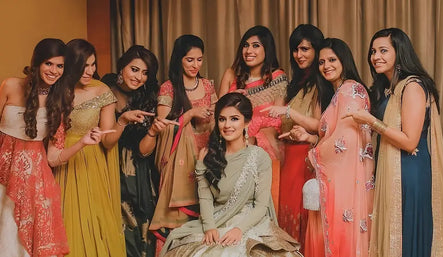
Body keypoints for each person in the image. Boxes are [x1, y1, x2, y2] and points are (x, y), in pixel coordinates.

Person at [345, 28, 443, 257]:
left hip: (411, 173)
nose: (376, 57)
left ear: (400, 53)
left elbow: (409, 141)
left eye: (384, 50)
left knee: (409, 239)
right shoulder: (388, 90)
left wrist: (371, 121)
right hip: (394, 169)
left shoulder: (412, 86)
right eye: (373, 51)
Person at [160, 92, 302, 257]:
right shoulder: (209, 156)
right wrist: (209, 227)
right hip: (217, 221)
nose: (227, 125)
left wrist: (239, 230)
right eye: (222, 119)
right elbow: (205, 198)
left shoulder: (259, 157)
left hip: (250, 223)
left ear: (247, 122)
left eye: (234, 119)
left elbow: (262, 206)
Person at [53, 39, 152, 257]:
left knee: (92, 220)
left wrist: (123, 121)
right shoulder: (56, 89)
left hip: (92, 164)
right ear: (70, 64)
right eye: (84, 66)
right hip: (62, 161)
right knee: (66, 220)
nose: (90, 71)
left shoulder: (101, 90)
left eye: (93, 65)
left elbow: (108, 141)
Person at [292, 38, 374, 256]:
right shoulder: (338, 93)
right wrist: (311, 138)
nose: (326, 65)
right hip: (339, 179)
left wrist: (313, 155)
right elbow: (333, 135)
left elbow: (345, 142)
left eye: (332, 60)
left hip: (345, 181)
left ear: (344, 61)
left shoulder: (351, 90)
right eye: (321, 62)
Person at [262, 24, 331, 256]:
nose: (299, 55)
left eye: (304, 49)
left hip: (306, 156)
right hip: (288, 156)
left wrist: (289, 113)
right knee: (285, 212)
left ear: (317, 50)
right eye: (295, 50)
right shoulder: (297, 84)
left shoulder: (321, 82)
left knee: (302, 213)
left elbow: (320, 124)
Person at [101, 45, 177, 257]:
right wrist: (122, 120)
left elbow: (144, 152)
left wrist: (152, 130)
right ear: (121, 67)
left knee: (139, 224)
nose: (139, 77)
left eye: (145, 73)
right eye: (134, 69)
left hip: (138, 170)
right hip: (106, 162)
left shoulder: (149, 96)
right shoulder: (103, 89)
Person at [0, 38, 70, 257]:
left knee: (19, 241)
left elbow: (54, 156)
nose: (54, 71)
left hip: (34, 181)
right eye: (49, 63)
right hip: (3, 173)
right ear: (37, 62)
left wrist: (83, 143)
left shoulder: (59, 100)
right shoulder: (10, 85)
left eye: (60, 66)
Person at [150, 35, 217, 245]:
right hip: (178, 163)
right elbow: (162, 126)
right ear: (179, 59)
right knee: (181, 224)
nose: (195, 65)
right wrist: (190, 114)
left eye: (199, 59)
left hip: (207, 155)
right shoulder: (168, 88)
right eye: (189, 60)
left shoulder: (207, 85)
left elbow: (217, 117)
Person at [219, 25, 288, 161]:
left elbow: (277, 120)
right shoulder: (231, 75)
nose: (249, 50)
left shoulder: (278, 77)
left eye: (255, 46)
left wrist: (251, 136)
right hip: (230, 140)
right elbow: (218, 114)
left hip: (263, 145)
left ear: (267, 50)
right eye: (246, 45)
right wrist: (231, 99)